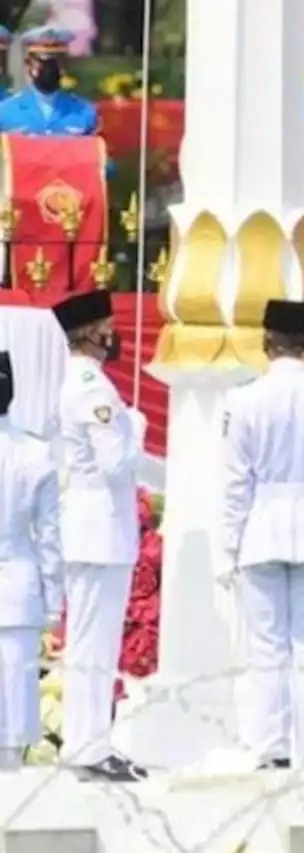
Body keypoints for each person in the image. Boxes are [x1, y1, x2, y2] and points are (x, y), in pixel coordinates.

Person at [221, 299, 304, 771]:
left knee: (267, 647)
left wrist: (229, 545)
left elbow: (236, 483)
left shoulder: (244, 399)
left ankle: (271, 748)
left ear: (266, 341)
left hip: (262, 527)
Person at [52, 290, 147, 782]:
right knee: (94, 643)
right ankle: (88, 746)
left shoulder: (72, 379)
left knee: (91, 641)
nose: (114, 335)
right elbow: (115, 462)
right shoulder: (92, 385)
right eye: (107, 326)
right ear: (90, 333)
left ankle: (87, 742)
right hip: (99, 528)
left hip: (88, 526)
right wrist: (136, 426)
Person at [0, 352, 61, 771]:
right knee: (17, 687)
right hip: (18, 579)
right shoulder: (35, 454)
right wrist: (54, 599)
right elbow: (50, 536)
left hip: (17, 570)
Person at [0, 27, 99, 136]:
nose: (50, 67)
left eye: (56, 61)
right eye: (44, 61)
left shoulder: (84, 111)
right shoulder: (5, 111)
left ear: (65, 65)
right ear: (28, 64)